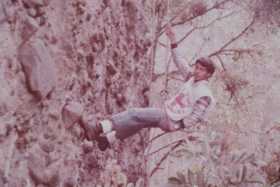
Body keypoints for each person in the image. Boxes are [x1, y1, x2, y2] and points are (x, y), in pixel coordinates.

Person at [80, 26, 216, 151]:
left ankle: (97, 128)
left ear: (208, 74)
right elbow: (179, 61)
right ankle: (107, 140)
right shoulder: (191, 78)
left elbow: (196, 116)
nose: (197, 71)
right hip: (169, 115)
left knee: (134, 114)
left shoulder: (204, 94)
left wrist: (179, 125)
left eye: (202, 70)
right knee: (138, 123)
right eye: (197, 68)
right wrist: (173, 40)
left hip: (170, 119)